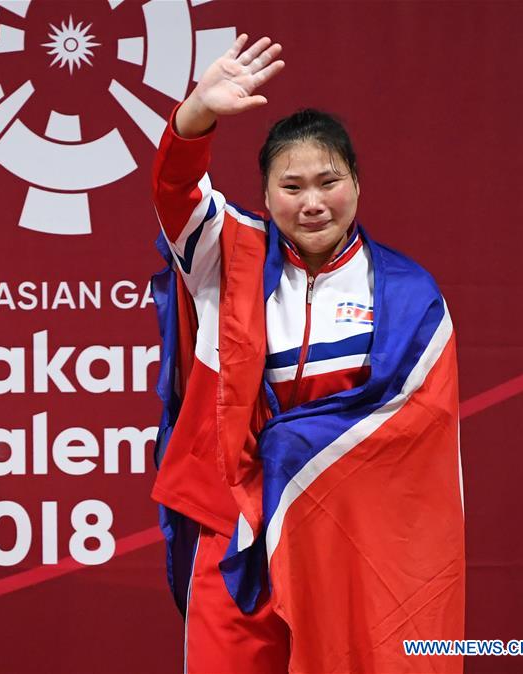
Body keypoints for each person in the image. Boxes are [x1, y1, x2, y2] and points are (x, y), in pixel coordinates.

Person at [151, 35, 464, 673]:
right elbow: (175, 190)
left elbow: (415, 432)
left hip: (345, 540)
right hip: (236, 537)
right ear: (266, 197)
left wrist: (289, 452)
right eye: (291, 186)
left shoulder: (408, 294)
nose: (313, 202)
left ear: (358, 184)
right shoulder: (226, 254)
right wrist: (196, 114)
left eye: (329, 182)